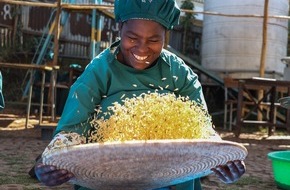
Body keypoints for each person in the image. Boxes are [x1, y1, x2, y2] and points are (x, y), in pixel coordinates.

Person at [34, 0, 246, 189]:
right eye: (133, 38)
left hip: (173, 178)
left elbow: (203, 130)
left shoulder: (180, 74)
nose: (142, 48)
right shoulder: (98, 72)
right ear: (120, 28)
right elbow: (72, 130)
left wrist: (223, 159)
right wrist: (51, 163)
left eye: (154, 40)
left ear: (166, 36)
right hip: (109, 177)